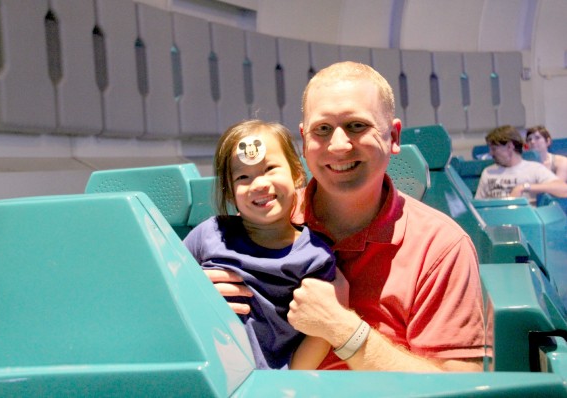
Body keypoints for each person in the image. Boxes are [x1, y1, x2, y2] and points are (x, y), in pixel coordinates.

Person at [206, 61, 485, 372]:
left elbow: (460, 387)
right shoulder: (255, 222)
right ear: (304, 142)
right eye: (322, 129)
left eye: (357, 126)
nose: (338, 146)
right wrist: (194, 300)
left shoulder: (442, 247)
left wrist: (342, 329)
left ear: (393, 137)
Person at [183, 119, 336, 370]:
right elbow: (166, 288)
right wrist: (193, 292)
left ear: (297, 172)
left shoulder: (315, 256)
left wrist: (288, 381)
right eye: (243, 176)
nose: (259, 184)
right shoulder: (209, 234)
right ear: (230, 192)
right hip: (206, 375)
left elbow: (320, 334)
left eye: (270, 168)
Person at [475, 125, 566, 205]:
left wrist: (523, 187)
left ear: (510, 147)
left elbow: (564, 189)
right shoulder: (488, 172)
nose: (490, 153)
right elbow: (477, 205)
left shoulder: (534, 169)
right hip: (493, 220)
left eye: (494, 149)